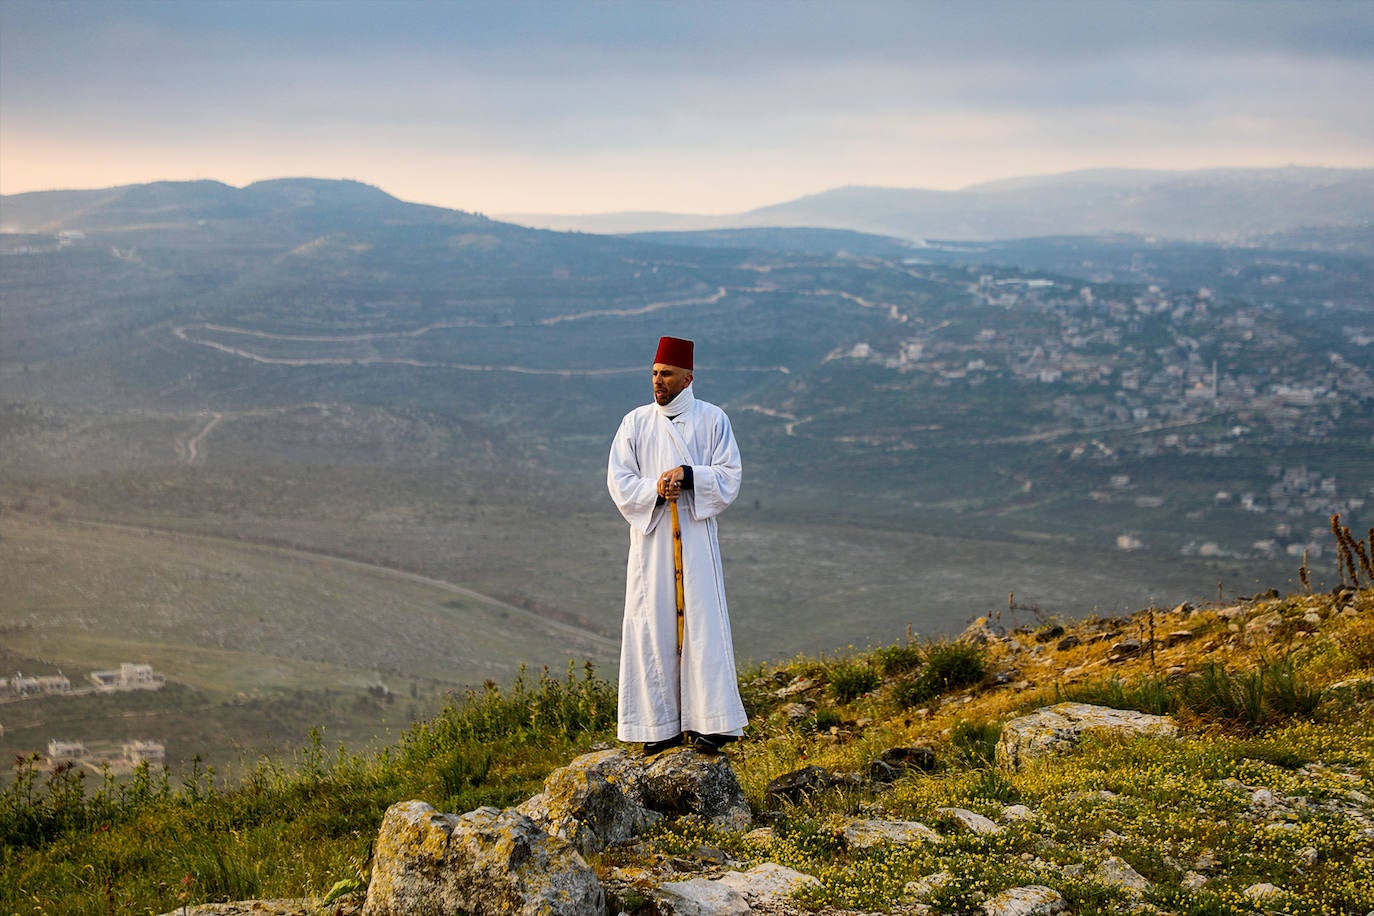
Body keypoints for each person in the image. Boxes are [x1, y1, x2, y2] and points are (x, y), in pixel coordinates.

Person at [607, 336, 748, 754]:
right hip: (651, 542)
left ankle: (712, 722)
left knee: (701, 625)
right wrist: (655, 486)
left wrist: (689, 476)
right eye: (653, 374)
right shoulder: (635, 423)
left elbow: (729, 474)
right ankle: (660, 725)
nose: (658, 382)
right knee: (653, 626)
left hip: (695, 536)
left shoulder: (713, 419)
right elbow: (619, 480)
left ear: (688, 377)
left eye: (666, 374)